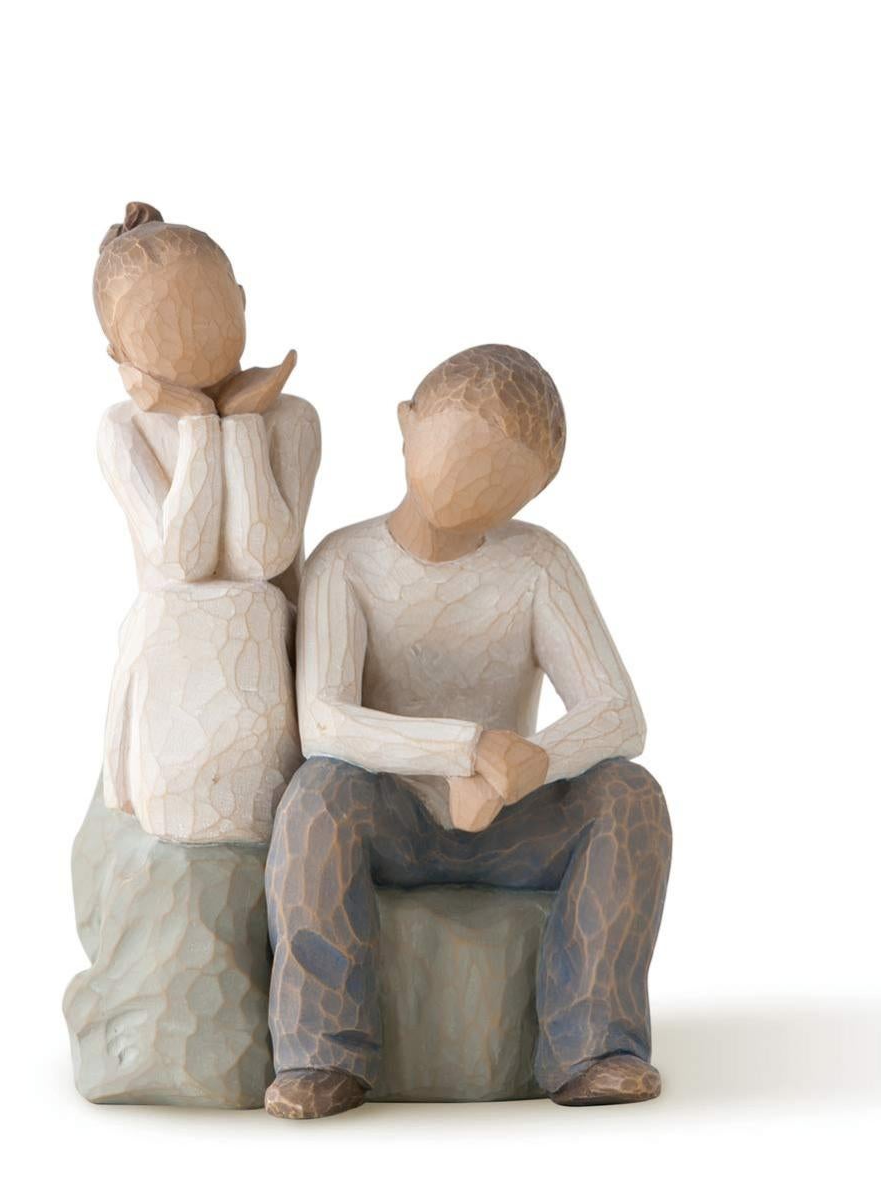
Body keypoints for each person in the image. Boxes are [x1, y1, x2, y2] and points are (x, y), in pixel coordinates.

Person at [264, 344, 671, 1118]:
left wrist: (533, 762)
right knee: (317, 798)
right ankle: (323, 1049)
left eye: (498, 481)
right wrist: (466, 747)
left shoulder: (538, 564)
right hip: (393, 815)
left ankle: (592, 1042)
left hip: (507, 822)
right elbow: (322, 720)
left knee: (629, 797)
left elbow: (618, 710)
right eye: (456, 458)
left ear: (534, 490)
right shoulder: (345, 562)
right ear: (406, 425)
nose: (466, 489)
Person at [94, 203, 320, 843]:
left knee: (255, 613)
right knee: (176, 621)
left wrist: (242, 422)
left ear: (242, 300)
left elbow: (262, 556)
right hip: (175, 652)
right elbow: (182, 561)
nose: (190, 336)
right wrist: (197, 420)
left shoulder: (292, 419)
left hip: (265, 649)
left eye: (210, 306)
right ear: (121, 354)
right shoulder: (123, 429)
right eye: (159, 328)